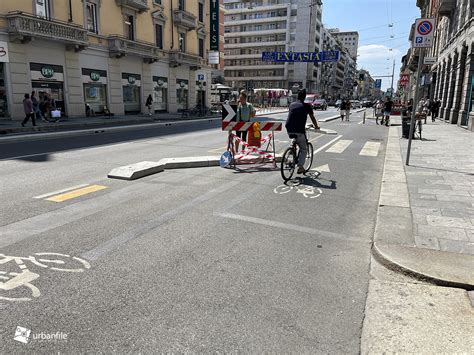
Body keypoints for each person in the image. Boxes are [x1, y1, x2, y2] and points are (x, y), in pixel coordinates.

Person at [285, 89, 320, 174]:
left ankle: (290, 152)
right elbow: (312, 117)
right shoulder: (307, 106)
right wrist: (316, 126)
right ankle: (300, 167)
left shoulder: (292, 104)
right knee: (304, 149)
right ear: (304, 97)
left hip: (289, 128)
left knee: (294, 138)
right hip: (299, 130)